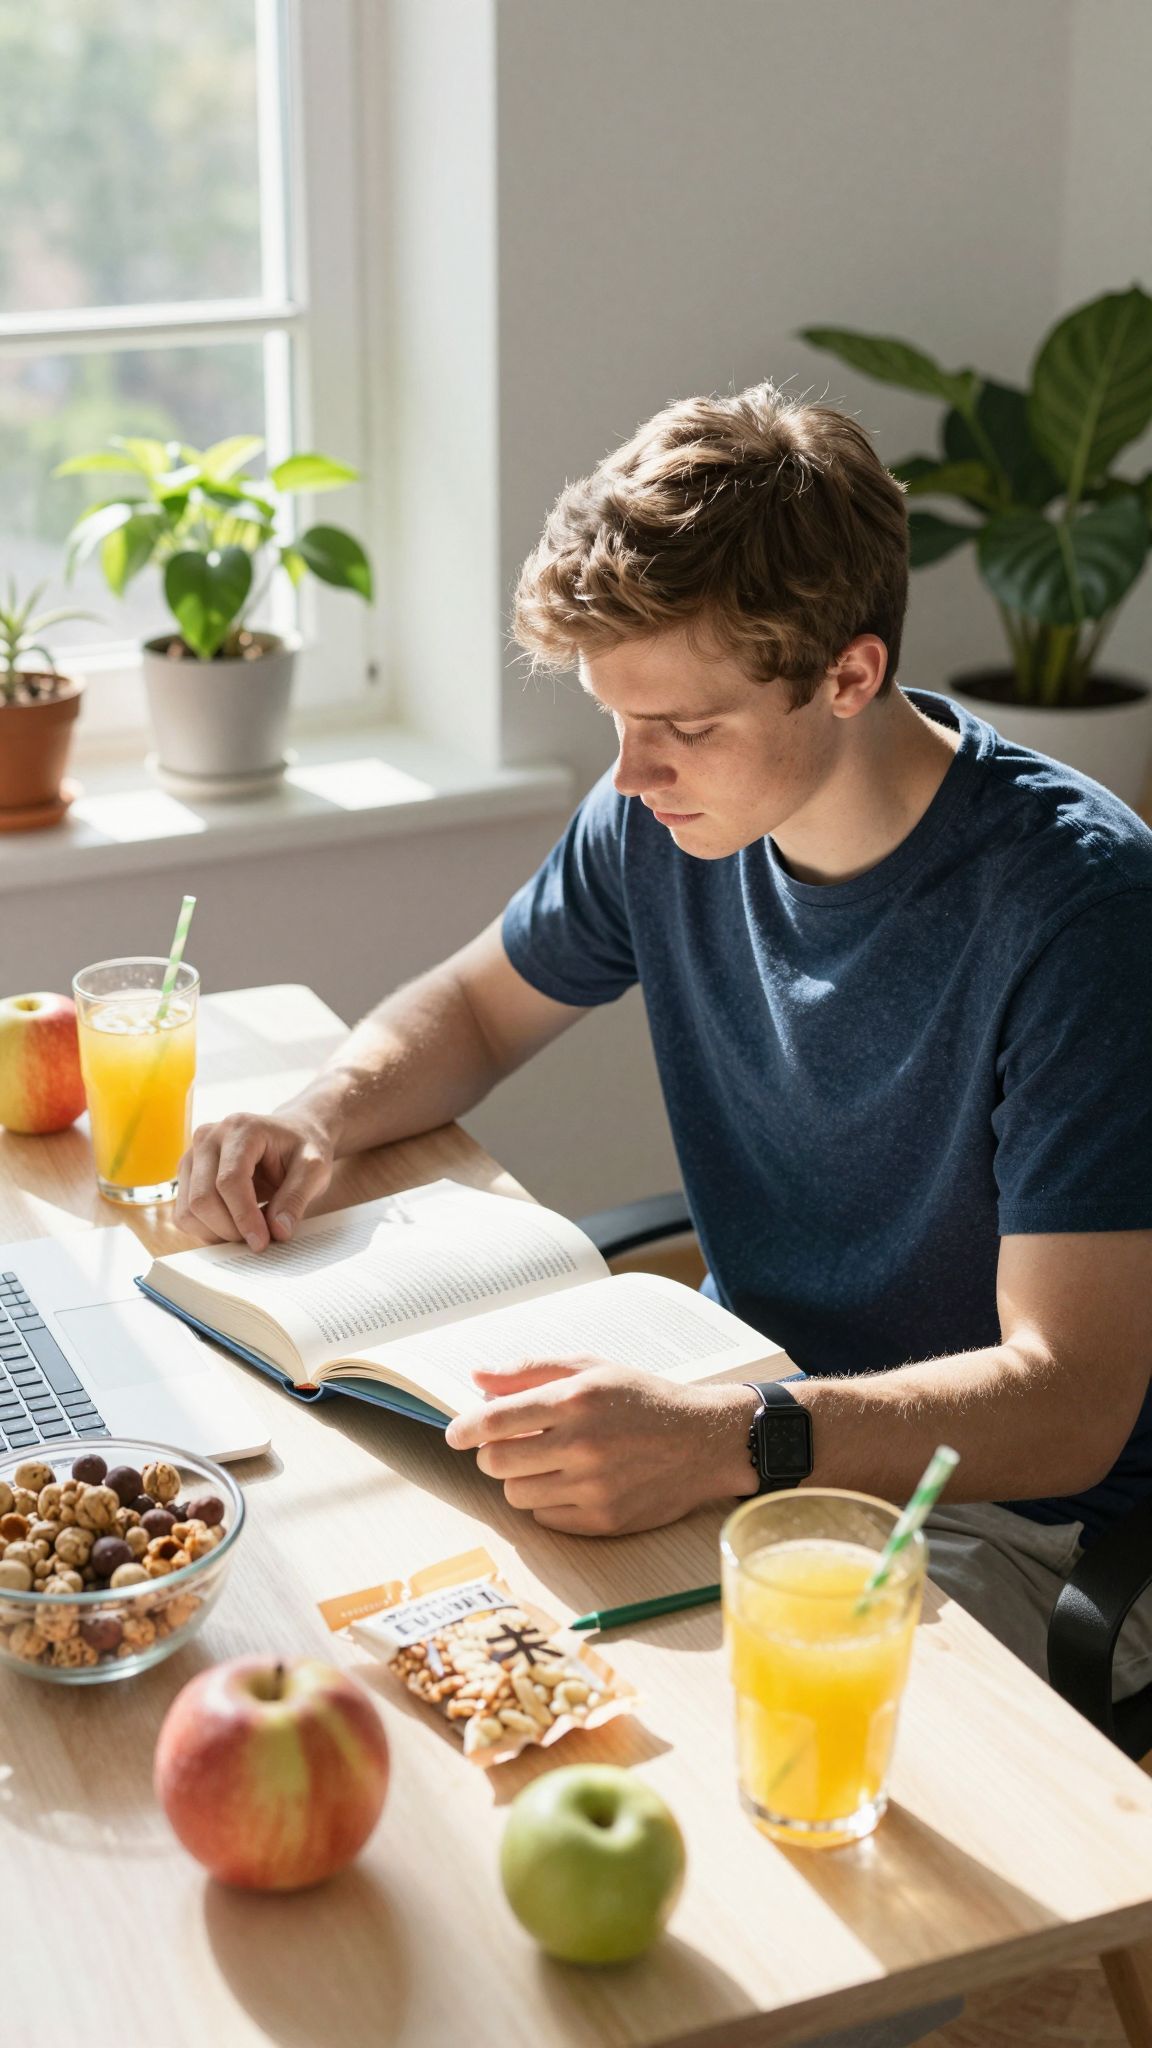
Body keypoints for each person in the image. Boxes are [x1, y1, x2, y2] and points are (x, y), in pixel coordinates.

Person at [177, 380, 1152, 1696]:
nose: (633, 776)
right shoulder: (664, 816)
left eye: (685, 729)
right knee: (401, 1633)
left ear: (851, 674)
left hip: (1014, 1520)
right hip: (739, 1409)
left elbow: (1068, 1398)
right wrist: (318, 1112)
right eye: (615, 723)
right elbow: (473, 1005)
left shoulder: (1079, 912)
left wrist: (732, 1440)